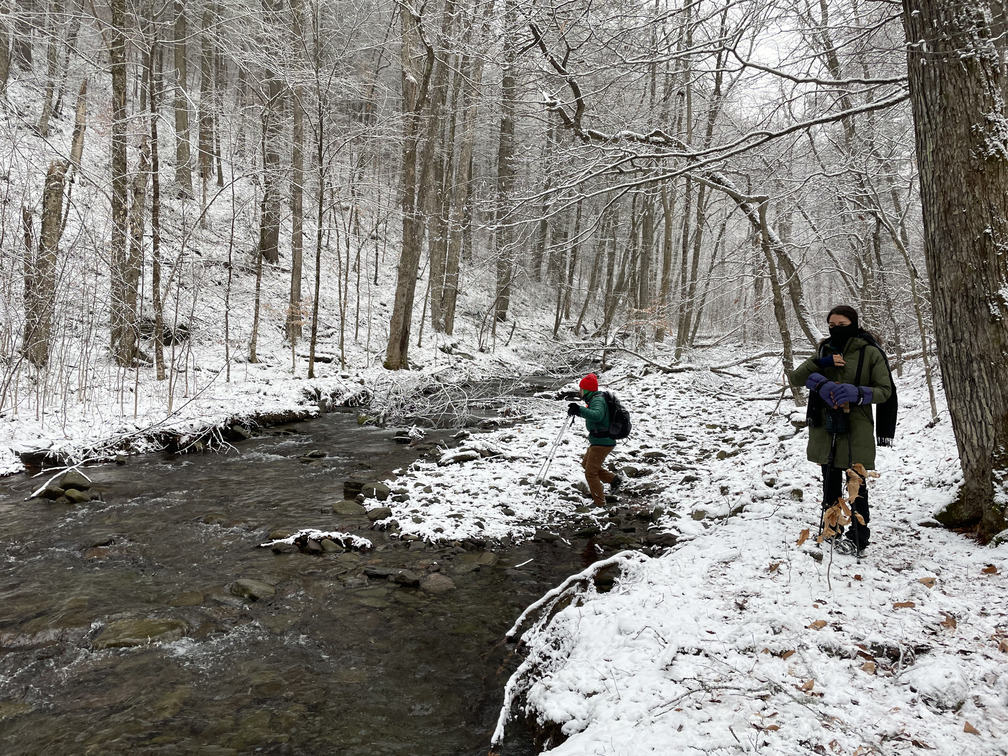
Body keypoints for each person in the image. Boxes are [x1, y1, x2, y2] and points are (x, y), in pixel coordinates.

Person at [790, 306, 896, 557]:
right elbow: (796, 378)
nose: (835, 329)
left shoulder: (870, 352)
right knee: (829, 481)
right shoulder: (825, 350)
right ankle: (832, 528)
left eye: (842, 324)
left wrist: (858, 394)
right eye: (831, 325)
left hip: (856, 425)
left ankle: (859, 537)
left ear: (854, 323)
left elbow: (885, 390)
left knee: (855, 484)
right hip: (825, 425)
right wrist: (819, 365)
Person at [568, 373, 623, 508]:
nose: (579, 392)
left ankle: (600, 503)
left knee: (590, 473)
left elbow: (597, 416)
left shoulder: (597, 400)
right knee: (586, 464)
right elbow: (593, 414)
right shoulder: (595, 398)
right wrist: (578, 411)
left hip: (602, 442)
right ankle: (613, 480)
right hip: (599, 441)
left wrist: (579, 410)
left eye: (581, 389)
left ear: (587, 390)